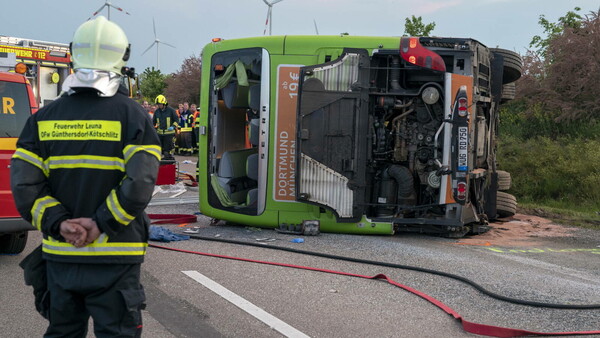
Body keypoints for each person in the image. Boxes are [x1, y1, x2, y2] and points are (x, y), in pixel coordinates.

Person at [10, 16, 160, 337]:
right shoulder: (133, 116)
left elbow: (25, 186)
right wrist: (100, 223)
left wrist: (61, 224)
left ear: (73, 54)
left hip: (61, 256)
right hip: (118, 257)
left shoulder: (43, 119)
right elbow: (140, 184)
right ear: (124, 55)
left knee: (63, 331)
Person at [152, 94, 179, 160]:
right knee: (160, 149)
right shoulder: (157, 112)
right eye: (158, 104)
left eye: (160, 104)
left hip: (169, 134)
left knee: (167, 150)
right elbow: (153, 122)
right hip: (160, 134)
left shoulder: (171, 111)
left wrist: (173, 126)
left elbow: (176, 120)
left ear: (164, 103)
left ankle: (169, 158)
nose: (159, 105)